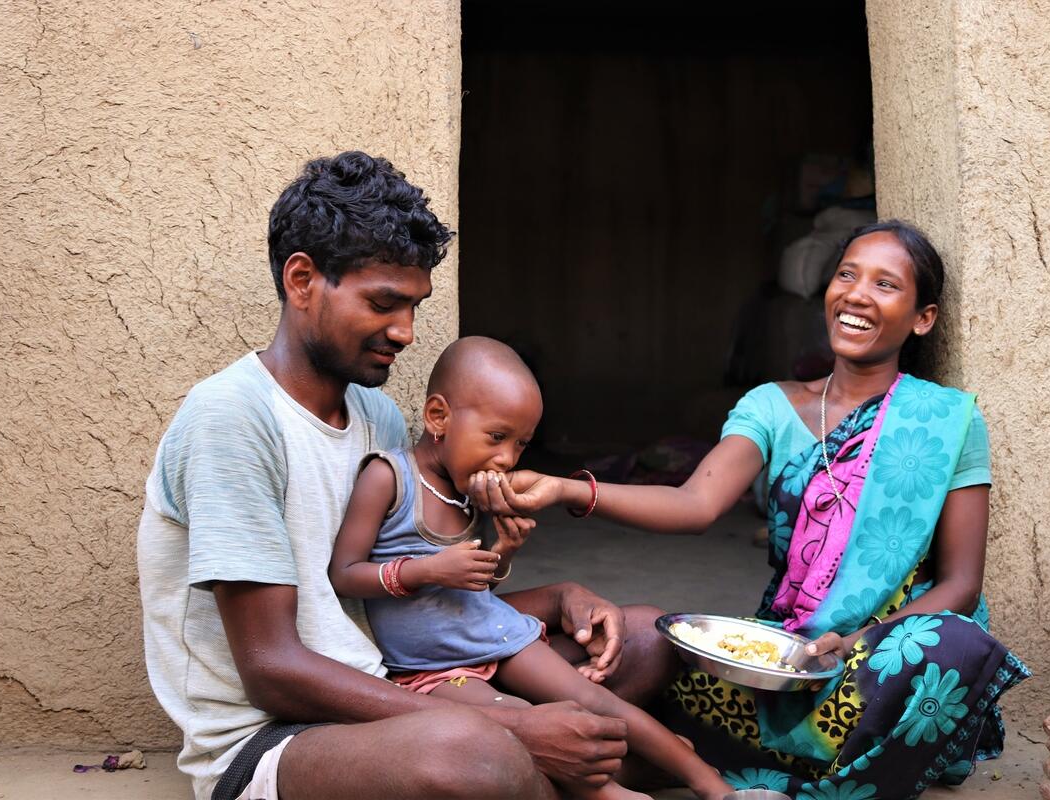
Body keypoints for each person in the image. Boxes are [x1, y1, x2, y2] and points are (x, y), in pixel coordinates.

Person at [137, 151, 679, 800]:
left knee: (642, 637)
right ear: (303, 281)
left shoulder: (375, 415)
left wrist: (557, 594)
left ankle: (550, 773)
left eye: (415, 307)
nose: (406, 332)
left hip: (400, 685)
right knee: (478, 756)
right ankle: (551, 773)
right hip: (278, 738)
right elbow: (271, 670)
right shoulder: (233, 419)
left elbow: (417, 606)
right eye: (384, 303)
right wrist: (511, 730)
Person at [469, 220, 1032, 799]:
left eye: (885, 284)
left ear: (923, 318)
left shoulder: (948, 420)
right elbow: (695, 503)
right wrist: (566, 489)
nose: (857, 294)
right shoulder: (771, 405)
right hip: (779, 661)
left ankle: (743, 768)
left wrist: (860, 638)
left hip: (876, 671)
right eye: (847, 274)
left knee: (957, 646)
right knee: (635, 633)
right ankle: (499, 736)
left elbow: (962, 586)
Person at [329, 336, 734, 800]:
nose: (507, 459)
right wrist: (426, 571)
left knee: (594, 700)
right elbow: (344, 572)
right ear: (438, 417)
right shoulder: (388, 478)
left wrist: (504, 550)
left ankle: (713, 785)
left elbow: (475, 586)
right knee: (524, 718)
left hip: (492, 634)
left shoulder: (470, 491)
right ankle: (618, 791)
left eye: (520, 444)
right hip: (434, 670)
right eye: (496, 437)